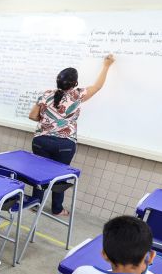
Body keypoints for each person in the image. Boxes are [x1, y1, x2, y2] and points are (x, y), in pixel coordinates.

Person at [28, 54, 115, 216]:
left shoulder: (46, 94)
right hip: (65, 144)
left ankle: (35, 204)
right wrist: (106, 66)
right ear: (75, 83)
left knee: (39, 172)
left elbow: (32, 116)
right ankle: (57, 209)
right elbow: (97, 86)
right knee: (60, 176)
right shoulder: (77, 95)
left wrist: (49, 122)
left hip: (41, 141)